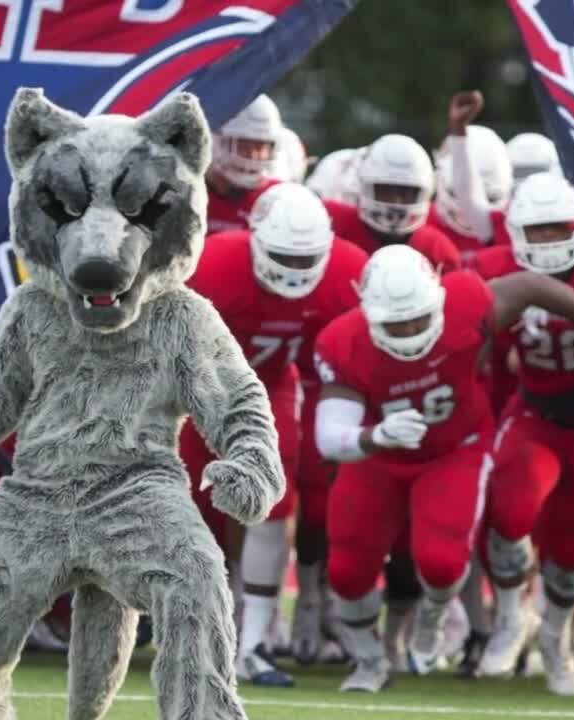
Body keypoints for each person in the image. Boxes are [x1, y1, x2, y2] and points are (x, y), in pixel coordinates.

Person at [312, 244, 574, 693]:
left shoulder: (465, 301)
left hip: (454, 448)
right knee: (347, 571)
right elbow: (329, 435)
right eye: (395, 322)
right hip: (379, 459)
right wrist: (375, 436)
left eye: (418, 318)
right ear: (366, 312)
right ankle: (369, 660)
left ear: (437, 299)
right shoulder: (342, 341)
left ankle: (434, 614)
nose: (408, 329)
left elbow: (533, 286)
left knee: (443, 563)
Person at [181, 182, 369, 687]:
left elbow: (360, 347)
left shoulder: (348, 273)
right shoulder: (214, 264)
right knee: (189, 506)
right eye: (284, 255)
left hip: (269, 388)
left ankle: (256, 641)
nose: (294, 269)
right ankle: (195, 625)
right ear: (255, 239)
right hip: (192, 391)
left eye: (307, 257)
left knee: (271, 501)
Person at [469, 172, 574, 695]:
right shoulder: (494, 268)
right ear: (515, 231)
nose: (545, 241)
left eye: (556, 228)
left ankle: (558, 639)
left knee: (569, 549)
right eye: (535, 231)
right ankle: (511, 617)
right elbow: (468, 334)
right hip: (536, 412)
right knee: (511, 512)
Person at [323, 133, 461, 270]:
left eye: (406, 192)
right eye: (387, 191)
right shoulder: (335, 224)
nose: (396, 201)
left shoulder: (434, 248)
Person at [431, 91, 514, 259]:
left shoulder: (516, 230)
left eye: (489, 197)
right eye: (456, 193)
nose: (467, 210)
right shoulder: (418, 227)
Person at [206, 94, 283, 232]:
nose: (253, 155)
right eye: (244, 146)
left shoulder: (279, 198)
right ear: (216, 141)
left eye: (260, 147)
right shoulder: (186, 194)